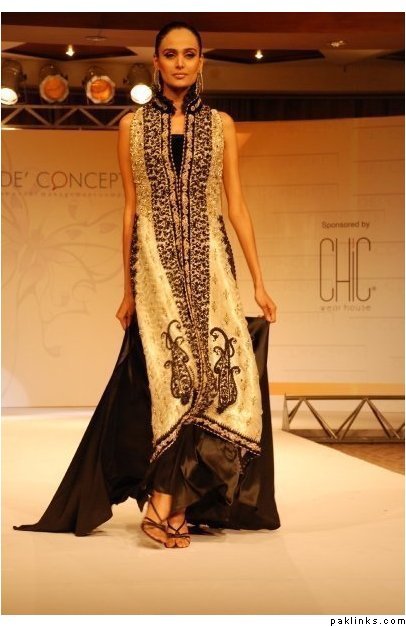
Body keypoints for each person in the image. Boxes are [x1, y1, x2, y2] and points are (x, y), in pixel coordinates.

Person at [13, 20, 280, 548]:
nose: (180, 63)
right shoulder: (131, 127)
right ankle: (163, 505)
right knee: (169, 381)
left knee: (217, 380)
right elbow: (131, 210)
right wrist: (128, 289)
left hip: (211, 265)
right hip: (154, 269)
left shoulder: (221, 125)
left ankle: (177, 503)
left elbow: (236, 206)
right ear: (156, 62)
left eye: (189, 54)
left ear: (201, 61)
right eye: (170, 54)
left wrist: (259, 281)